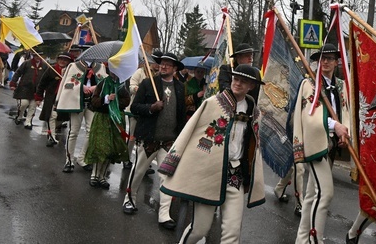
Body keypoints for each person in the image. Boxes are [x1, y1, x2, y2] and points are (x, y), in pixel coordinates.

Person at [160, 64, 266, 244]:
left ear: (252, 86)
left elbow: (253, 147)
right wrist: (174, 161)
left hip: (235, 177)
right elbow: (189, 131)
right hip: (209, 175)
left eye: (244, 81)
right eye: (236, 79)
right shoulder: (212, 104)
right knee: (199, 229)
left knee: (233, 233)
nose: (238, 83)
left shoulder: (254, 113)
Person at [292, 43, 351, 244]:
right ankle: (314, 239)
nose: (325, 62)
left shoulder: (341, 86)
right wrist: (335, 125)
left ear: (336, 62)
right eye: (322, 58)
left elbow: (346, 112)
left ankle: (301, 240)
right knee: (325, 194)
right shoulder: (309, 84)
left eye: (330, 58)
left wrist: (345, 131)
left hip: (331, 146)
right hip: (316, 144)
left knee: (310, 196)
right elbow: (309, 115)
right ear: (318, 62)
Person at [123, 51, 186, 229]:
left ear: (174, 68)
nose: (163, 66)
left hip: (169, 141)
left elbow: (181, 115)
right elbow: (134, 107)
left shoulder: (180, 87)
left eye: (168, 64)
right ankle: (129, 199)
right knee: (138, 171)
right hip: (149, 139)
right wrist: (151, 107)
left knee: (166, 177)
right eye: (162, 63)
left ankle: (164, 214)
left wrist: (181, 137)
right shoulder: (147, 83)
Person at [84, 66, 131, 189]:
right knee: (101, 147)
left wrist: (116, 102)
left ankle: (102, 176)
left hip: (115, 120)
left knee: (111, 149)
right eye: (112, 70)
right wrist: (106, 99)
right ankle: (94, 175)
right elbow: (94, 101)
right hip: (102, 118)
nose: (114, 73)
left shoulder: (122, 85)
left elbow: (127, 100)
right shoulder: (102, 83)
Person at [55, 57, 102, 172]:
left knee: (91, 132)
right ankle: (69, 160)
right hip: (77, 103)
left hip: (92, 104)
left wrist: (96, 87)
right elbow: (67, 85)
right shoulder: (74, 66)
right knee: (73, 132)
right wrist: (81, 86)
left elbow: (105, 84)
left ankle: (82, 158)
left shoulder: (101, 67)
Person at [35, 53, 72, 147]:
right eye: (61, 59)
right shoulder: (51, 70)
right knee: (52, 116)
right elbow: (42, 83)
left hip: (65, 98)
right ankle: (52, 137)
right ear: (57, 60)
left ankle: (51, 131)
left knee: (61, 118)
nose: (62, 61)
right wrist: (39, 97)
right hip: (51, 97)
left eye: (65, 60)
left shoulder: (71, 71)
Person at [10, 52, 49, 129]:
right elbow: (18, 72)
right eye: (36, 56)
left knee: (32, 106)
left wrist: (47, 87)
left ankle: (28, 121)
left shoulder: (45, 66)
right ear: (34, 56)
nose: (38, 57)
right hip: (25, 88)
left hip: (37, 89)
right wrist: (13, 83)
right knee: (23, 104)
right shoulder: (27, 63)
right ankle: (20, 116)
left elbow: (47, 77)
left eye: (40, 56)